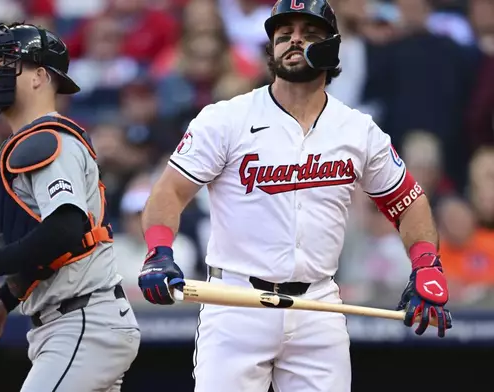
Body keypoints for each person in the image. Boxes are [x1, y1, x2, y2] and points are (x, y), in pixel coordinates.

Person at [136, 1, 453, 391]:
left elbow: (408, 201)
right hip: (237, 302)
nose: (293, 40)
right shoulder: (226, 118)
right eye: (283, 34)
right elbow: (169, 192)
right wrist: (159, 252)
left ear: (332, 47)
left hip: (318, 305)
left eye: (309, 33)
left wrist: (426, 264)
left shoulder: (357, 130)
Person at [0, 22, 140, 391]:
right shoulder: (32, 140)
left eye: (2, 63)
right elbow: (50, 251)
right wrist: (3, 300)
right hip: (72, 323)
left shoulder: (47, 140)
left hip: (83, 323)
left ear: (40, 76)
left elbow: (67, 229)